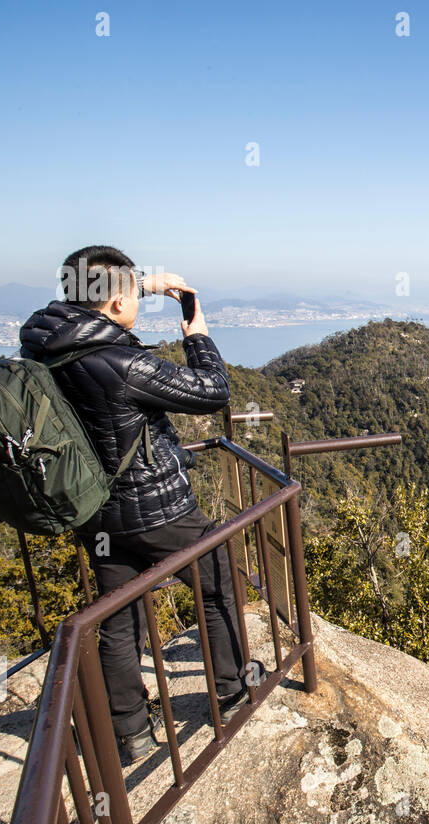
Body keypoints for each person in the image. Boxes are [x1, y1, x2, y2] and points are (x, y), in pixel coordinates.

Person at [19, 245, 253, 764]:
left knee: (119, 618)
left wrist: (144, 282)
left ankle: (130, 732)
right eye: (133, 294)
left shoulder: (45, 344)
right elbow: (213, 391)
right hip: (156, 510)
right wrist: (198, 334)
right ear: (115, 300)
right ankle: (233, 690)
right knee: (216, 581)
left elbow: (90, 300)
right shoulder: (121, 362)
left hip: (96, 511)